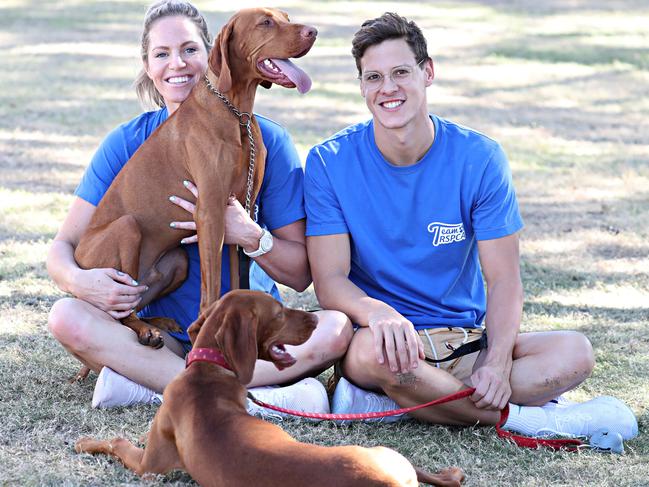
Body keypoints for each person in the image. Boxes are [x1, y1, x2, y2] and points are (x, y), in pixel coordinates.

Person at [304, 12, 637, 440]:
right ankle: (528, 422)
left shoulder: (479, 157)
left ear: (428, 73)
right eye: (373, 77)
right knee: (371, 353)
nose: (388, 88)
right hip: (385, 340)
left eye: (401, 72)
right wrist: (380, 315)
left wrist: (496, 362)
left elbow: (503, 279)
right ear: (362, 85)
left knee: (573, 352)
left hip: (464, 342)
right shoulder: (329, 161)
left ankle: (396, 402)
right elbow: (329, 280)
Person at [47, 0, 352, 415]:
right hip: (168, 335)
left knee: (335, 329)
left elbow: (300, 275)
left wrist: (251, 235)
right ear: (148, 65)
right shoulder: (126, 141)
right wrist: (80, 284)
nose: (178, 63)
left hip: (250, 334)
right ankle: (247, 396)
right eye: (162, 53)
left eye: (189, 49)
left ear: (213, 54)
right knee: (66, 316)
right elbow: (65, 245)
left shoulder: (269, 142)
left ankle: (154, 384)